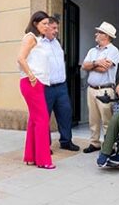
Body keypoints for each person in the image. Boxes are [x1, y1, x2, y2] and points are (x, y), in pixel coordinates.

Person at [17, 11, 55, 169]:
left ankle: (31, 157)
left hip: (36, 82)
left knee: (34, 120)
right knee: (41, 120)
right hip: (32, 82)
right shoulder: (30, 38)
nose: (47, 26)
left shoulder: (38, 39)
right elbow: (20, 58)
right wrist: (32, 76)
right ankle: (44, 160)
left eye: (48, 24)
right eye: (44, 24)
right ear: (35, 24)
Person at [81, 22, 119, 153]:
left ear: (106, 36)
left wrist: (91, 65)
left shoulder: (113, 51)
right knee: (93, 119)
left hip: (105, 90)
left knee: (107, 120)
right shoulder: (92, 51)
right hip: (91, 88)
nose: (96, 34)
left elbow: (104, 69)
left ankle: (110, 145)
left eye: (99, 32)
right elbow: (84, 66)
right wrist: (97, 62)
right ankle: (95, 143)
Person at [42, 17, 79, 152]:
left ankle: (66, 141)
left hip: (61, 86)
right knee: (44, 117)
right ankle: (45, 145)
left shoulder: (57, 43)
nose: (57, 31)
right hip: (46, 87)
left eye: (57, 28)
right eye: (54, 28)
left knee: (65, 113)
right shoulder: (38, 43)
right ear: (45, 28)